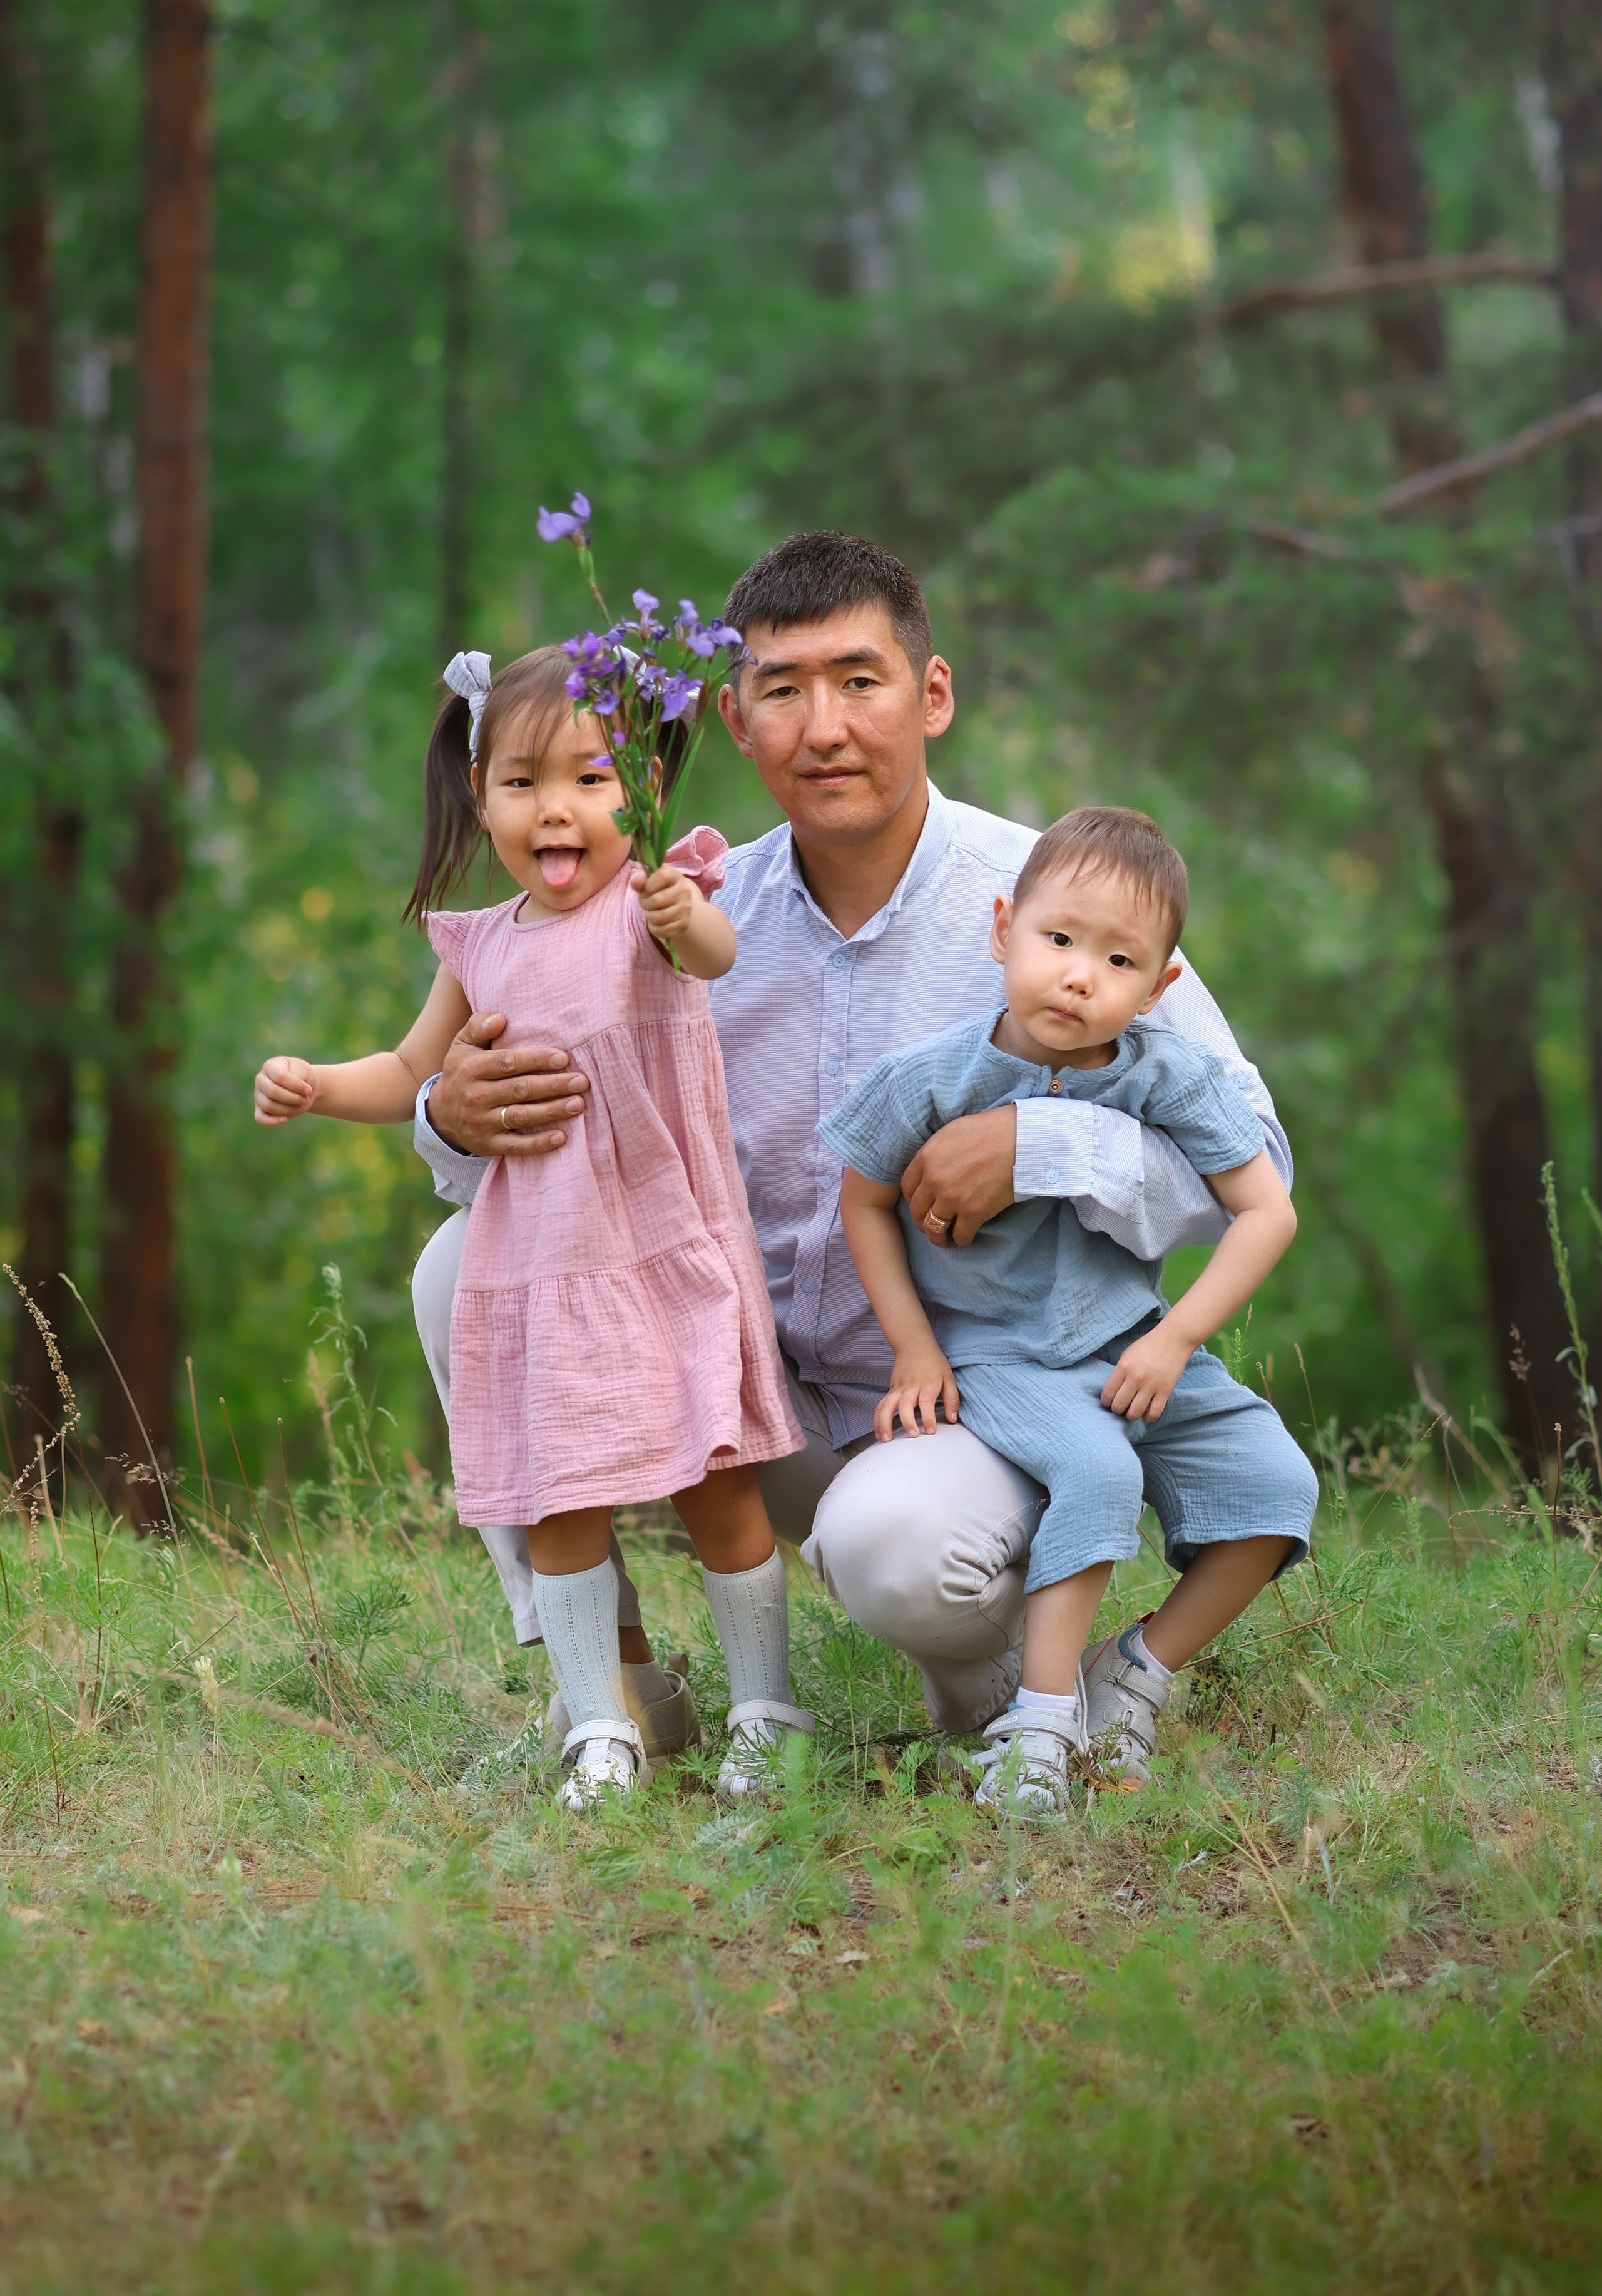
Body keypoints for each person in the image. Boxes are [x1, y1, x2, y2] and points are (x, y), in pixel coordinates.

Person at [409, 529, 1298, 1755]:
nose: (823, 727)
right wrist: (447, 1113)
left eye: (859, 680)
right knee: (456, 1270)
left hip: (964, 1406)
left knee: (901, 1556)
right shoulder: (677, 921)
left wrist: (1038, 1142)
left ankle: (1010, 1677)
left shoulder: (1057, 906)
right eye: (782, 689)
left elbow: (1255, 1157)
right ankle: (616, 1686)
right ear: (733, 718)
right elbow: (526, 1156)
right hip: (741, 1384)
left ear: (931, 696)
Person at [253, 645, 811, 1809]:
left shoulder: (653, 904)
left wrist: (681, 911)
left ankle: (767, 1712)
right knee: (563, 1503)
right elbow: (409, 1069)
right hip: (551, 1267)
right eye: (521, 782)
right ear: (479, 794)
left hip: (667, 1255)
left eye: (593, 779)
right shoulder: (483, 945)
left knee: (718, 1491)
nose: (556, 808)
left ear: (643, 788)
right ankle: (602, 1726)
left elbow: (714, 954)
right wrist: (317, 1085)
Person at [820, 806, 1316, 1814]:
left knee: (1278, 1486)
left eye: (1119, 960)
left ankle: (1132, 1672)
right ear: (1005, 929)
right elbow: (862, 1201)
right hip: (1003, 1355)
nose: (1081, 976)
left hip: (1133, 1343)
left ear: (1159, 986)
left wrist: (1178, 1338)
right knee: (1097, 1467)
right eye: (1059, 940)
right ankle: (1038, 1734)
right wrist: (915, 1347)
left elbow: (1268, 1211)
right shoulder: (934, 1077)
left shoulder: (1168, 1075)